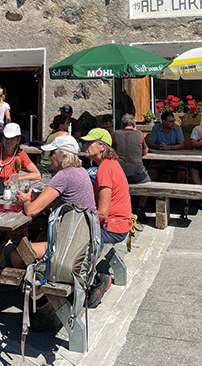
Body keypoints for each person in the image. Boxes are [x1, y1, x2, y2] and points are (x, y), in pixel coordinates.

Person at [10, 135, 96, 268]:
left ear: (63, 156)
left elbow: (31, 211)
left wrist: (26, 201)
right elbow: (59, 198)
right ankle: (42, 272)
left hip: (72, 241)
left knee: (16, 254)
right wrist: (37, 196)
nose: (49, 157)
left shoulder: (63, 176)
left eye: (52, 153)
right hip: (86, 234)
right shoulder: (81, 171)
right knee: (41, 236)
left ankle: (30, 285)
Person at [82, 128, 133, 308]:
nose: (85, 145)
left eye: (89, 142)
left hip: (112, 227)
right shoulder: (110, 164)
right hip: (121, 223)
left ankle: (96, 282)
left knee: (74, 253)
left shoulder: (104, 169)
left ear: (102, 146)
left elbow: (102, 213)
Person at [113, 113, 150, 221]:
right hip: (137, 175)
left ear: (121, 125)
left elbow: (113, 150)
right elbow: (145, 151)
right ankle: (140, 207)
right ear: (134, 124)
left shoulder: (115, 134)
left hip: (120, 174)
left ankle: (123, 207)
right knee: (149, 180)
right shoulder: (140, 134)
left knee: (116, 183)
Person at [147, 112, 185, 182]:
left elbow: (182, 145)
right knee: (152, 167)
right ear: (164, 122)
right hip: (159, 158)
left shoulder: (177, 128)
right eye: (171, 121)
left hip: (175, 159)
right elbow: (150, 143)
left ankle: (181, 189)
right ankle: (154, 188)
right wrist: (158, 146)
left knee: (182, 168)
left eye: (174, 121)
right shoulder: (156, 128)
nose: (173, 123)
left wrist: (169, 147)